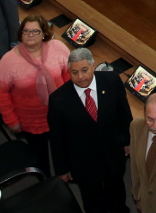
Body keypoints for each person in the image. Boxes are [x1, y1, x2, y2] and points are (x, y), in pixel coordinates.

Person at [47, 47, 133, 213]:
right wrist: (62, 169)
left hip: (112, 154)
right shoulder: (58, 99)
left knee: (116, 191)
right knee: (92, 200)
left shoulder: (112, 81)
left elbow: (124, 115)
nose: (80, 77)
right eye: (74, 72)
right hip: (83, 163)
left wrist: (128, 141)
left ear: (93, 66)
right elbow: (57, 139)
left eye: (84, 70)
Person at [0, 14, 69, 174]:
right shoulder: (8, 61)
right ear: (20, 34)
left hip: (60, 113)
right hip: (31, 119)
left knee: (64, 147)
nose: (30, 35)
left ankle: (66, 174)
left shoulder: (59, 48)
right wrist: (12, 121)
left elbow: (68, 75)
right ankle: (46, 181)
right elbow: (1, 94)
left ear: (44, 33)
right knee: (40, 154)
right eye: (26, 31)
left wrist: (72, 103)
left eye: (35, 31)